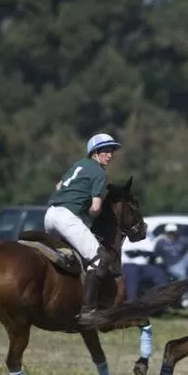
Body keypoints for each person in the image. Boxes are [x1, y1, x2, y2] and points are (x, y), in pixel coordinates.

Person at [44, 133, 121, 322]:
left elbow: (58, 185)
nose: (109, 155)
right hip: (67, 218)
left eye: (111, 151)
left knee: (67, 256)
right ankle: (87, 310)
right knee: (99, 259)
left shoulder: (79, 164)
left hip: (50, 215)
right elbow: (95, 208)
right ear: (95, 153)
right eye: (105, 151)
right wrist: (92, 213)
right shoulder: (100, 173)